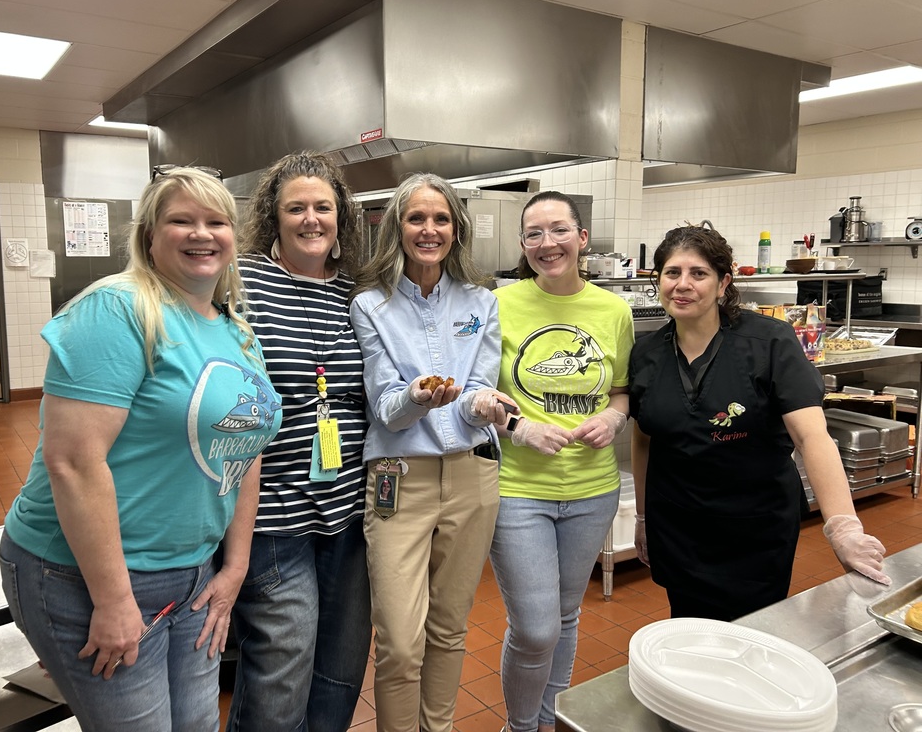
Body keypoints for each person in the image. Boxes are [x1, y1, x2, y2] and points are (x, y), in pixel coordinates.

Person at [0, 166, 281, 731]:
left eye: (216, 221)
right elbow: (73, 461)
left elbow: (245, 452)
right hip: (85, 574)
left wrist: (234, 568)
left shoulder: (235, 331)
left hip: (193, 573)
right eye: (182, 220)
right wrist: (112, 599)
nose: (202, 234)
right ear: (150, 237)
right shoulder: (117, 309)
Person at [629, 225, 890, 622]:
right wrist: (644, 517)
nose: (683, 285)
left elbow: (812, 436)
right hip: (677, 525)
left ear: (723, 283)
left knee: (752, 632)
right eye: (671, 273)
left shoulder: (770, 342)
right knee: (687, 628)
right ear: (658, 280)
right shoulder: (647, 353)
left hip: (753, 529)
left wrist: (843, 525)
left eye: (698, 273)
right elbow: (644, 438)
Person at [350, 173, 511, 732]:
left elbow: (471, 399)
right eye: (417, 218)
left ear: (456, 229)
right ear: (397, 227)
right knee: (398, 639)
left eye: (441, 219)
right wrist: (418, 398)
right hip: (399, 480)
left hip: (471, 479)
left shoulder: (481, 303)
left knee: (449, 628)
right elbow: (386, 409)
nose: (429, 229)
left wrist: (484, 407)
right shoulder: (372, 306)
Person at [227, 151, 371, 731]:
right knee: (283, 669)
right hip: (269, 514)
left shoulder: (360, 293)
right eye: (296, 208)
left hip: (350, 512)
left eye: (322, 207)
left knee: (341, 667)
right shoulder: (242, 281)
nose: (311, 219)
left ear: (340, 217)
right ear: (274, 217)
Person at [489, 191, 633, 732]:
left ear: (582, 238)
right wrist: (518, 427)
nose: (547, 244)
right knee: (534, 627)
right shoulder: (499, 305)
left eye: (558, 230)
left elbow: (620, 393)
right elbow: (479, 399)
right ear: (523, 245)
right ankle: (521, 726)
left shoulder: (612, 310)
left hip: (593, 489)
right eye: (533, 234)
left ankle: (549, 720)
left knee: (566, 616)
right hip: (517, 489)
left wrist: (616, 420)